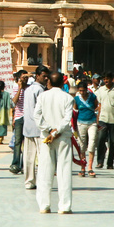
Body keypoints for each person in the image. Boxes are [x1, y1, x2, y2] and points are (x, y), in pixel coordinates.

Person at [35, 72, 75, 214]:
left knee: (45, 170)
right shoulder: (68, 98)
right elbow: (67, 118)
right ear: (62, 84)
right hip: (62, 137)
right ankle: (64, 206)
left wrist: (49, 130)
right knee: (64, 170)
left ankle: (44, 205)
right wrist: (56, 131)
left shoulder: (42, 96)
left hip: (46, 137)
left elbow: (37, 116)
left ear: (49, 83)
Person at [21, 69, 46, 189]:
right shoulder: (40, 90)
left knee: (29, 157)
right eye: (44, 76)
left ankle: (29, 181)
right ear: (37, 76)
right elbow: (41, 110)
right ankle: (41, 180)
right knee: (42, 156)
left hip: (28, 127)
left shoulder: (28, 89)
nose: (46, 79)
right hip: (38, 127)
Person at [73, 80, 99, 178]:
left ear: (87, 90)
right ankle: (83, 167)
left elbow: (96, 106)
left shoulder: (93, 97)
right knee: (82, 145)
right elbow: (75, 112)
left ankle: (90, 167)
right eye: (80, 91)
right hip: (81, 123)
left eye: (83, 90)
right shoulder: (76, 99)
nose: (82, 93)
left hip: (92, 122)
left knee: (92, 143)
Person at [8, 70, 30, 175]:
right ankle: (15, 163)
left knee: (27, 142)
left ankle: (24, 164)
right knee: (17, 142)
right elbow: (14, 102)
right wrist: (20, 88)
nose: (24, 79)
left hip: (29, 118)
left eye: (26, 77)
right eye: (23, 77)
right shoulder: (16, 87)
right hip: (19, 117)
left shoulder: (31, 88)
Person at [0, 80, 13, 145]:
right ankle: (0, 140)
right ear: (4, 86)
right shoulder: (7, 94)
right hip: (3, 113)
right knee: (2, 125)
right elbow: (10, 103)